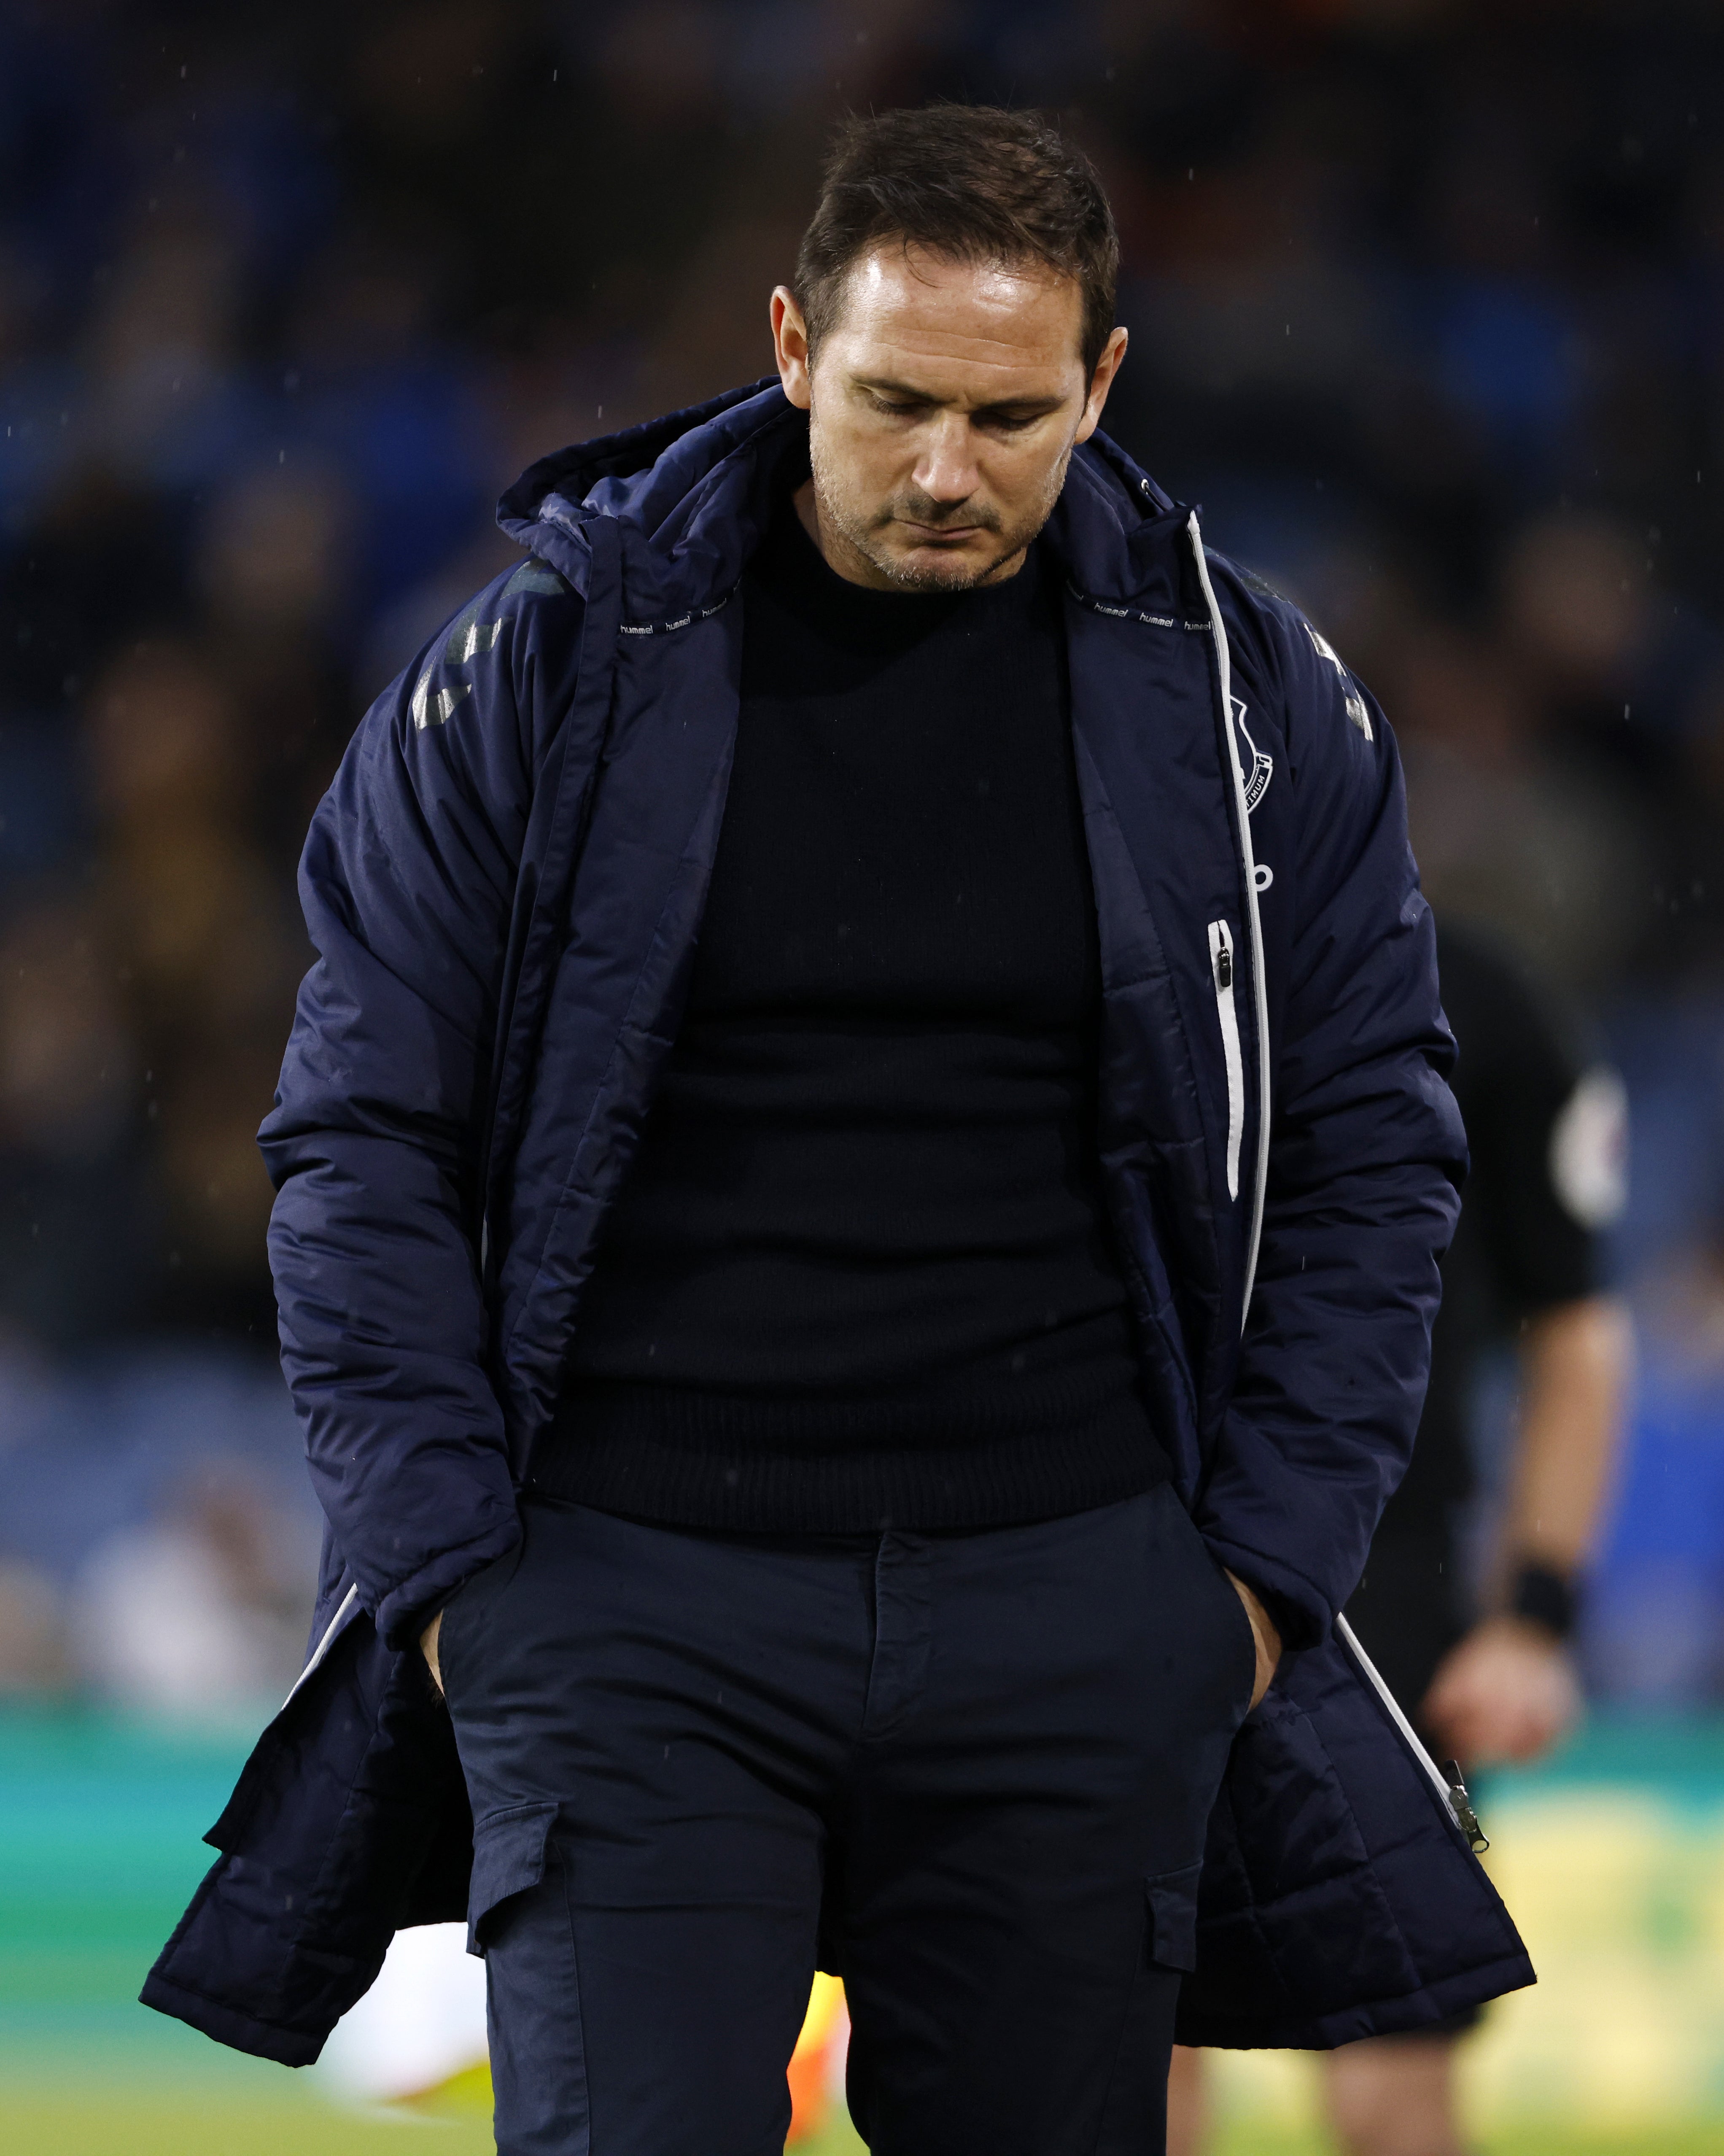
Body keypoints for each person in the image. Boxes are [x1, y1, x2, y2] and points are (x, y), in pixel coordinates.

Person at [143, 106, 1532, 2155]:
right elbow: (356, 1142)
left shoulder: (1255, 700)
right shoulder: (534, 670)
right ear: (791, 344)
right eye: (893, 403)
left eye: (1007, 414)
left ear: (1103, 386)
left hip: (1083, 1603)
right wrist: (455, 1579)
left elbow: (1372, 1144)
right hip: (622, 1604)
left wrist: (1243, 1582)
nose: (946, 472)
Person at [1168, 918, 1629, 2156]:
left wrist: (1535, 1617)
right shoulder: (1108, 937)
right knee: (1122, 2071)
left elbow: (1578, 1331)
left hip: (1383, 1608)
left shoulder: (1483, 999)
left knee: (1391, 2087)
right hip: (1139, 1568)